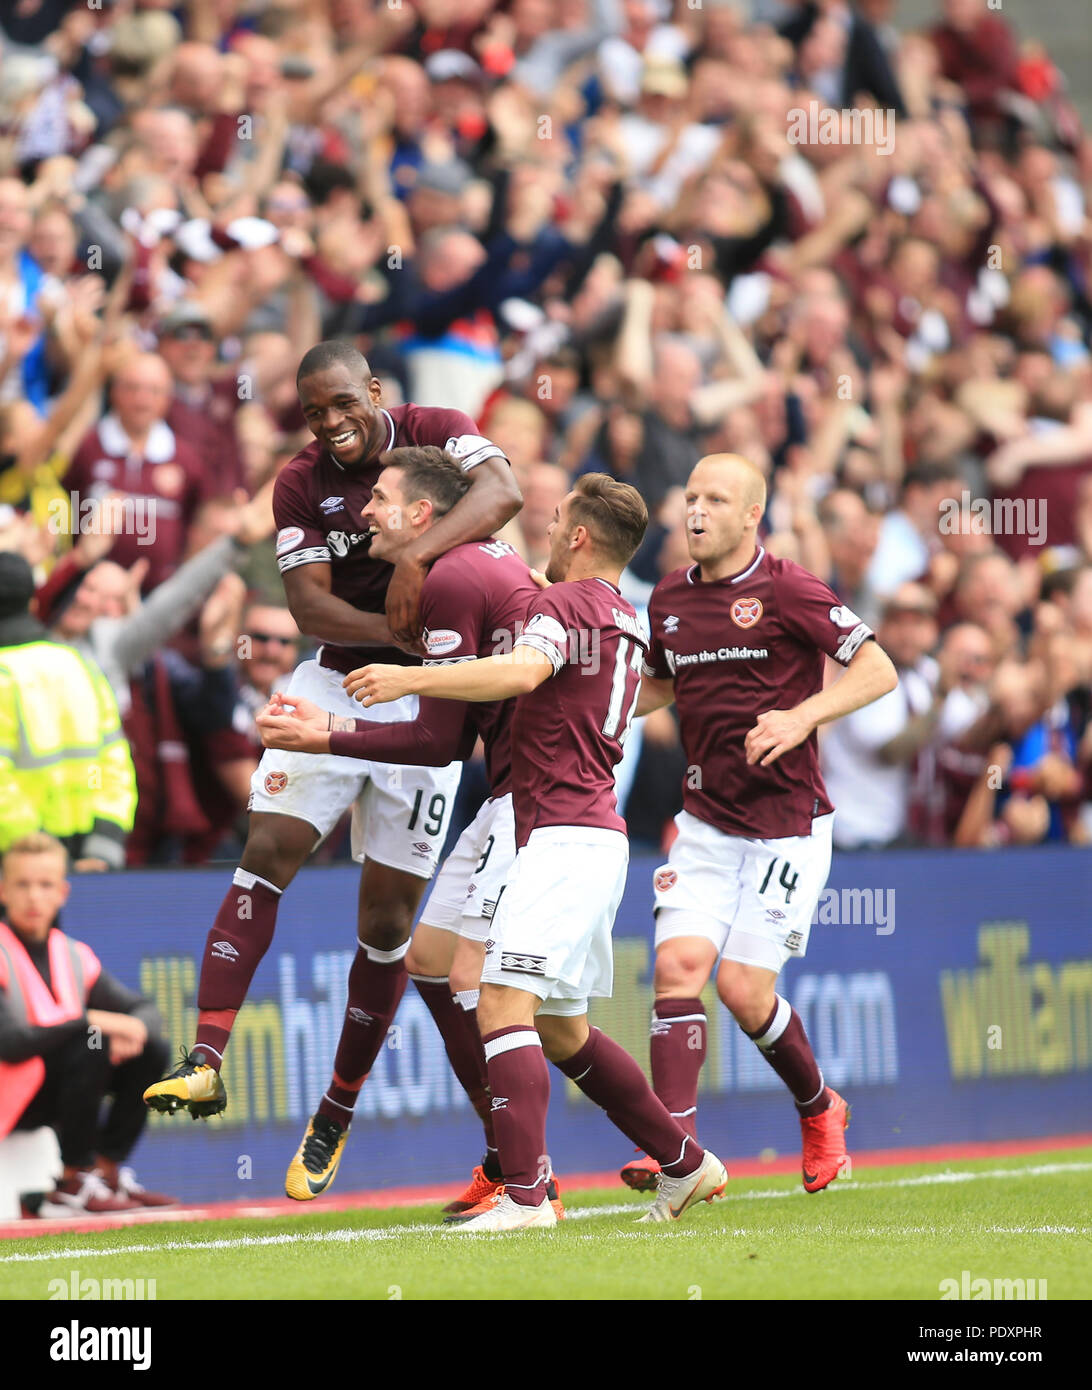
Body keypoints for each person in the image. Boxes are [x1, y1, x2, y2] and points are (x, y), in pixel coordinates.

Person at [143, 340, 521, 1120]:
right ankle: (207, 1057)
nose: (331, 423)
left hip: (430, 691)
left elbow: (504, 490)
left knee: (386, 922)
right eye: (314, 413)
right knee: (267, 851)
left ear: (375, 391)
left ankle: (338, 1107)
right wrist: (402, 633)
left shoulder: (439, 428)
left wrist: (414, 558)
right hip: (340, 674)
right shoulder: (299, 481)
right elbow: (309, 609)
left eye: (343, 403)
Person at [343, 474, 730, 1231]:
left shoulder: (567, 604)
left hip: (559, 836)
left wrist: (408, 678)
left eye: (556, 525)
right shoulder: (622, 616)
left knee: (499, 1002)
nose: (547, 537)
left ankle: (525, 1198)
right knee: (561, 1029)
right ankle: (685, 1164)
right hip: (587, 837)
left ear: (579, 537)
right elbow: (646, 691)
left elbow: (525, 670)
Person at [258, 445, 544, 1214]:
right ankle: (520, 1164)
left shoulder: (450, 577)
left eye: (379, 497)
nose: (363, 510)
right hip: (520, 797)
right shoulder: (485, 562)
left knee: (512, 1004)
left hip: (547, 804)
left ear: (423, 515)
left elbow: (437, 742)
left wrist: (330, 731)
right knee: (430, 961)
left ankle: (537, 1180)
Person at [621, 454, 898, 1195]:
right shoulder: (671, 596)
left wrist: (803, 714)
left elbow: (878, 669)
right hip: (707, 821)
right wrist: (604, 713)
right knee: (677, 971)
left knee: (744, 991)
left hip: (787, 826)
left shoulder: (786, 586)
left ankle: (820, 1107)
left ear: (753, 516)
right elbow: (661, 684)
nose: (698, 511)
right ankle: (676, 1152)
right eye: (690, 496)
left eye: (716, 498)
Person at [0, 833, 174, 1215]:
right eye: (22, 885)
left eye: (45, 885)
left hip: (59, 1091)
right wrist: (91, 1021)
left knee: (152, 1050)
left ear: (62, 892)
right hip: (13, 1098)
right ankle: (70, 1181)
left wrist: (136, 1029)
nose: (34, 897)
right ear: (3, 891)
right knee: (90, 1040)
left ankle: (105, 1173)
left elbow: (144, 1009)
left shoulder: (72, 954)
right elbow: (11, 1042)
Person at [0, 552, 136, 870]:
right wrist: (103, 847)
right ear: (32, 603)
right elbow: (115, 765)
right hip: (88, 863)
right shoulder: (81, 666)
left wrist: (37, 855)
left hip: (17, 871)